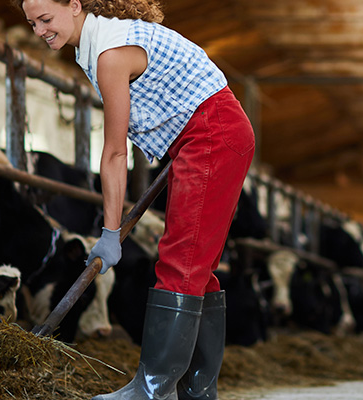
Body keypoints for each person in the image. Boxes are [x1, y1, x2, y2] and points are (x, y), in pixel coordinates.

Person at [17, 0, 254, 397]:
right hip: (210, 133)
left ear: (75, 5)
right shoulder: (96, 44)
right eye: (32, 23)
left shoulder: (109, 52)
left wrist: (110, 232)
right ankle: (197, 391)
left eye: (45, 19)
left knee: (180, 262)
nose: (39, 31)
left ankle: (151, 389)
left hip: (212, 133)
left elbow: (113, 152)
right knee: (197, 267)